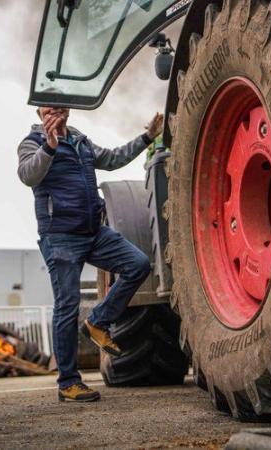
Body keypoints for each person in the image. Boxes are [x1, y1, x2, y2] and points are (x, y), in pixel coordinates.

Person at [17, 105, 163, 402]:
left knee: (137, 264)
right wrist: (50, 146)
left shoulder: (81, 141)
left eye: (60, 105)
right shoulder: (31, 143)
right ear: (38, 112)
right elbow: (28, 176)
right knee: (67, 307)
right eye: (49, 106)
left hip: (94, 233)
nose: (55, 110)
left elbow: (112, 158)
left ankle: (97, 321)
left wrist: (147, 137)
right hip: (60, 238)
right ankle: (68, 382)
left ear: (68, 109)